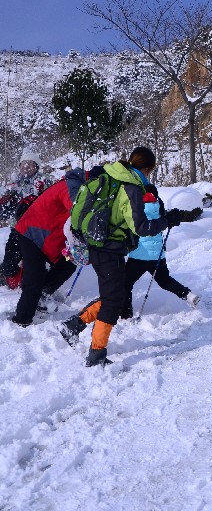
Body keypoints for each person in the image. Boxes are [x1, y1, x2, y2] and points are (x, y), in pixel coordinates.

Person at [59, 146, 198, 367]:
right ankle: (95, 352)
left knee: (114, 294)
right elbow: (142, 227)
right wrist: (167, 220)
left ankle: (75, 325)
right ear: (147, 168)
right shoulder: (131, 186)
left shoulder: (113, 174)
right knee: (115, 299)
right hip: (108, 248)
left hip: (98, 244)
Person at [9, 168, 86, 326]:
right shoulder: (69, 187)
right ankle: (22, 319)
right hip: (31, 234)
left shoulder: (78, 188)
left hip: (51, 240)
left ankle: (43, 294)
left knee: (70, 262)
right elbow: (77, 213)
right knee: (34, 278)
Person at [121, 183, 200, 319]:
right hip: (157, 254)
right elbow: (164, 222)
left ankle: (126, 314)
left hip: (139, 255)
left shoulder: (136, 207)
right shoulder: (158, 205)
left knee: (125, 284)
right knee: (164, 280)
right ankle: (187, 295)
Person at [0, 149, 53, 288]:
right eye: (23, 164)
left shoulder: (43, 180)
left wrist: (42, 192)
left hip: (37, 230)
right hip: (17, 228)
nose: (26, 167)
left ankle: (36, 284)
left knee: (35, 262)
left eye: (30, 164)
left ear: (36, 167)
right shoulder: (15, 182)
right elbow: (4, 204)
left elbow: (53, 200)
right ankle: (13, 282)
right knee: (9, 264)